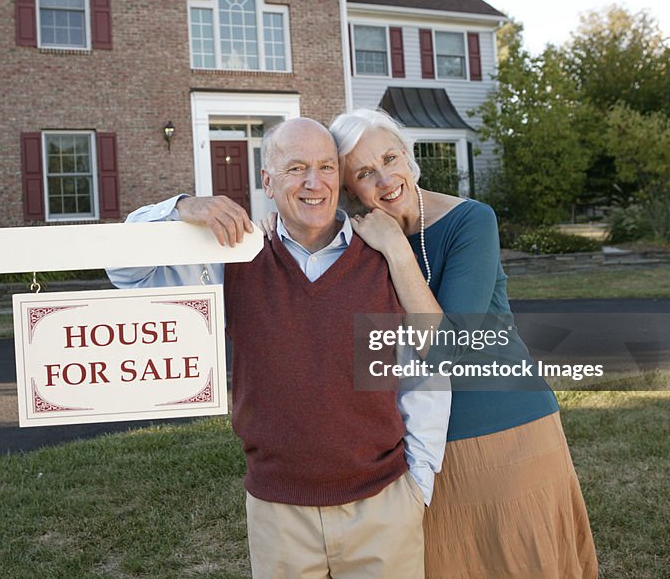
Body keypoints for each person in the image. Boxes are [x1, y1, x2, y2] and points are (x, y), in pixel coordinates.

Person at [107, 117, 450, 579]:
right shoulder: (234, 259)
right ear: (267, 181)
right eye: (296, 168)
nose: (315, 182)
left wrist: (418, 484)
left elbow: (424, 373)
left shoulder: (382, 259)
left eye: (327, 167)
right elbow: (123, 270)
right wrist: (179, 209)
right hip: (278, 511)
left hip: (383, 505)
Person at [327, 107, 599, 579]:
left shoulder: (471, 221)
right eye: (366, 173)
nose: (386, 178)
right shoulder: (358, 239)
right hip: (421, 442)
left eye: (391, 158)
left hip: (504, 428)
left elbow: (449, 350)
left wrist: (394, 247)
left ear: (409, 157)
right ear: (351, 190)